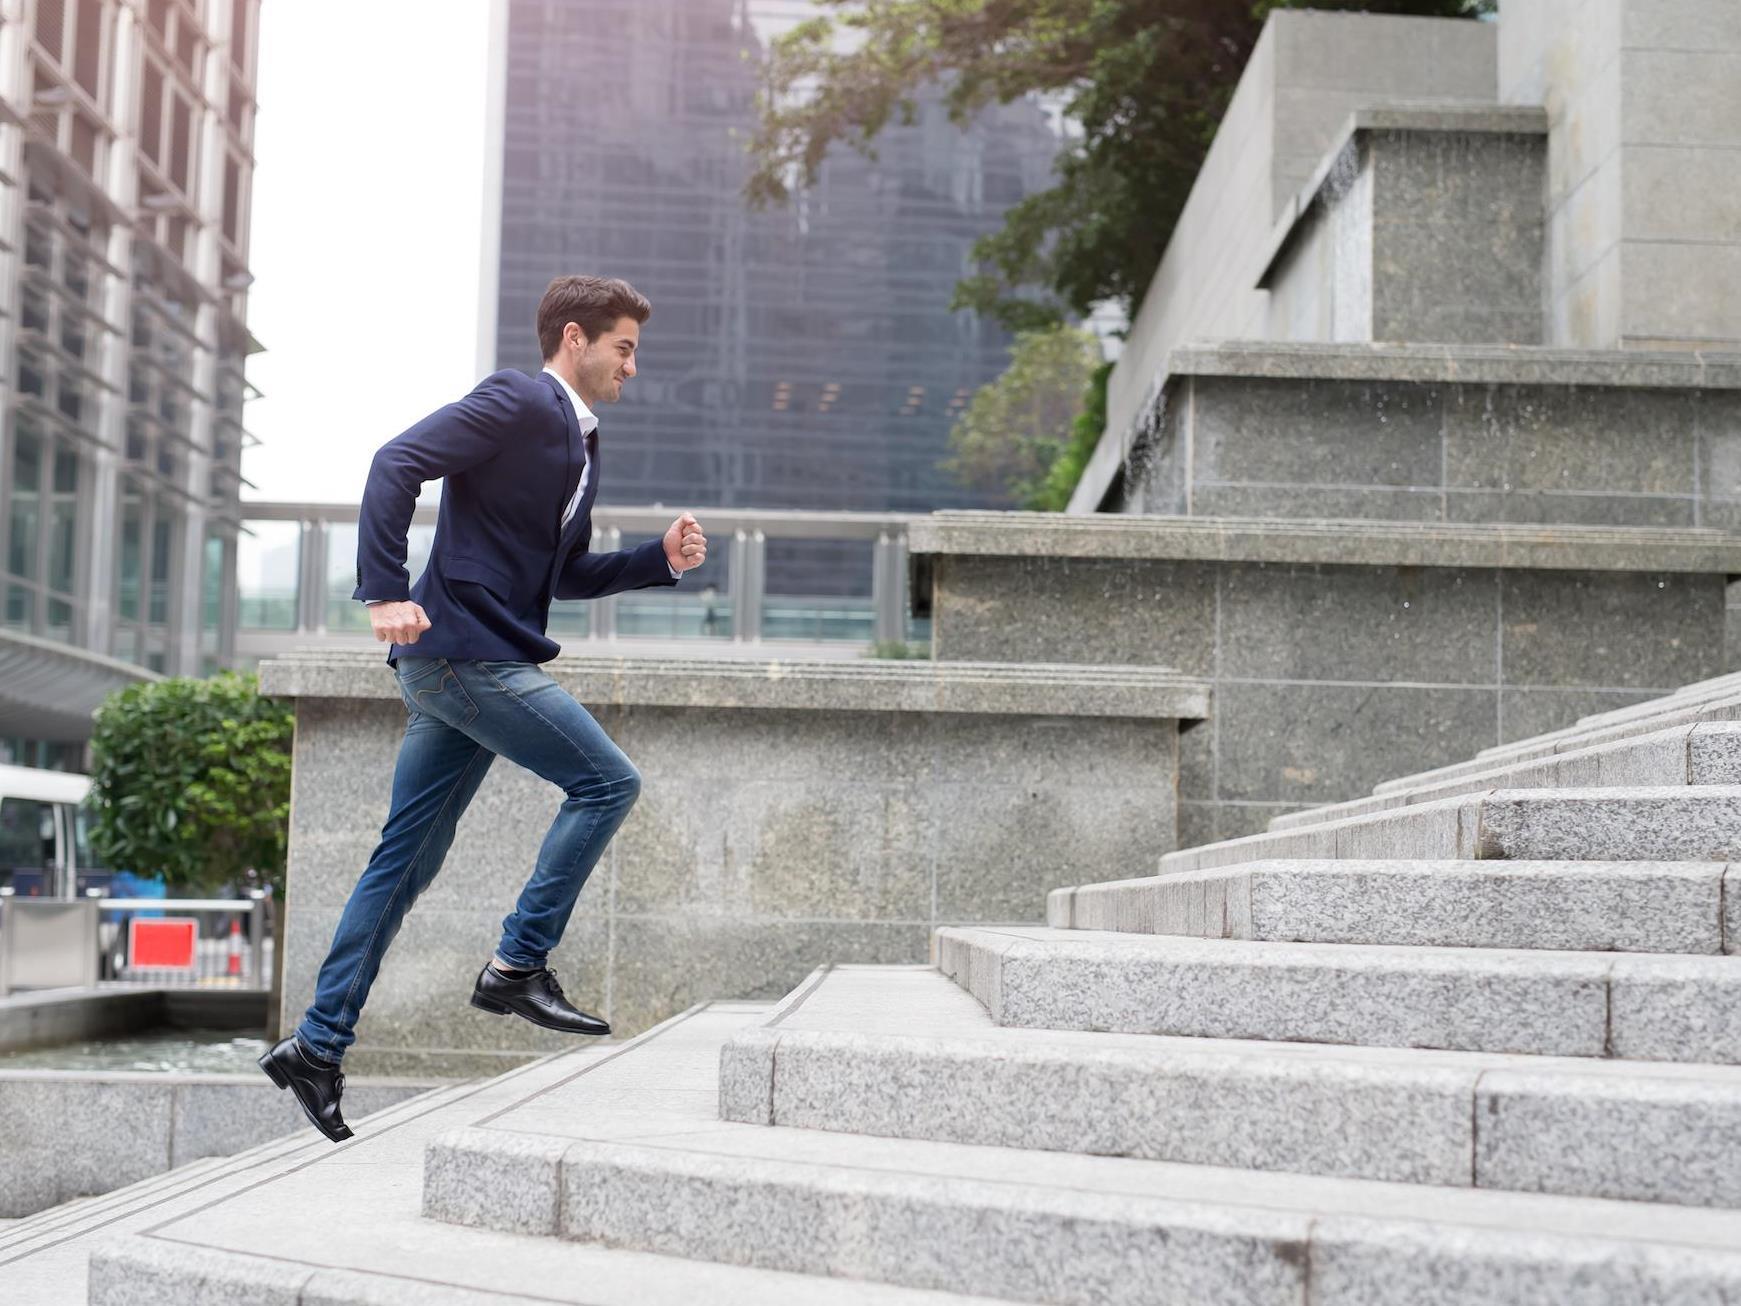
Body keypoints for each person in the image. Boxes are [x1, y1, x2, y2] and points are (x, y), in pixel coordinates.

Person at [257, 275, 706, 1142]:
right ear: (574, 339)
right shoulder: (519, 397)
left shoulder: (579, 438)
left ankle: (316, 1046)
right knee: (608, 783)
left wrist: (658, 559)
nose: (633, 367)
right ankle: (517, 963)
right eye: (624, 348)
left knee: (404, 864)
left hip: (461, 660)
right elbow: (397, 462)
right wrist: (383, 590)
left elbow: (563, 573)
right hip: (467, 656)